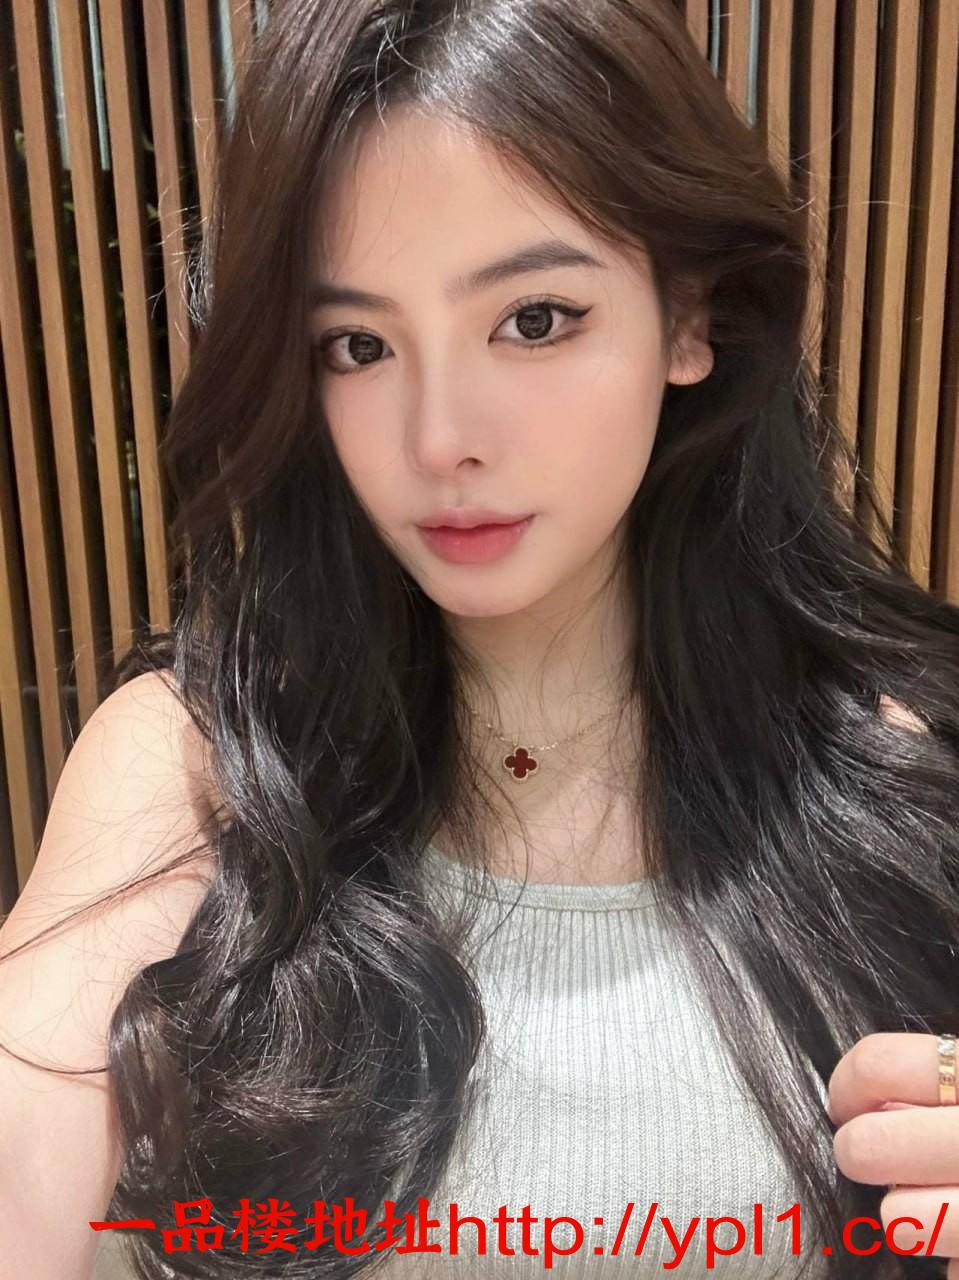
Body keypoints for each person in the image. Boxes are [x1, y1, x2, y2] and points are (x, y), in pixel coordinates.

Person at [1, 1, 958, 1277]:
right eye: (358, 345)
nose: (439, 437)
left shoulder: (894, 773)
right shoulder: (195, 765)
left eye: (534, 319)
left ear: (688, 317)